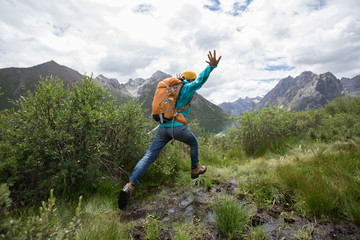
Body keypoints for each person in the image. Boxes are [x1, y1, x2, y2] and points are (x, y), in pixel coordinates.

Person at [118, 50, 222, 210]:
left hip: (162, 128)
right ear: (189, 80)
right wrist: (211, 67)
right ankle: (195, 168)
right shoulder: (187, 88)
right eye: (191, 80)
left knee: (149, 156)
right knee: (194, 142)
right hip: (177, 127)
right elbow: (200, 80)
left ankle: (130, 186)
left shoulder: (173, 89)